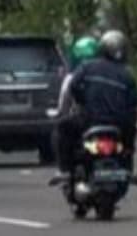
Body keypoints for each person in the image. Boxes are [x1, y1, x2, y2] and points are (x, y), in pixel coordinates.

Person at [55, 30, 137, 180]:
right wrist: (129, 138)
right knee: (128, 143)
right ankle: (127, 169)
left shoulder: (88, 67)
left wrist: (83, 102)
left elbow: (73, 86)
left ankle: (65, 170)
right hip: (118, 124)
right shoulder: (128, 76)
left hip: (90, 119)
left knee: (62, 127)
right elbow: (132, 109)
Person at [52, 36, 100, 174]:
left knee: (61, 128)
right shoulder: (109, 72)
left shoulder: (72, 78)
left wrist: (61, 113)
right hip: (110, 120)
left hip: (85, 120)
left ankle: (64, 169)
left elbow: (64, 104)